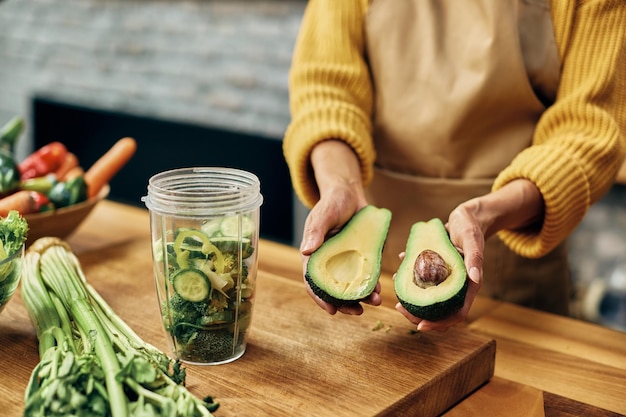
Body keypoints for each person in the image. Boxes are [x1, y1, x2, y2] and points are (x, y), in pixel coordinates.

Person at [282, 0, 626, 331]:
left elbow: (589, 129)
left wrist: (488, 214)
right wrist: (341, 185)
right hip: (374, 271)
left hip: (512, 277)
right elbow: (326, 89)